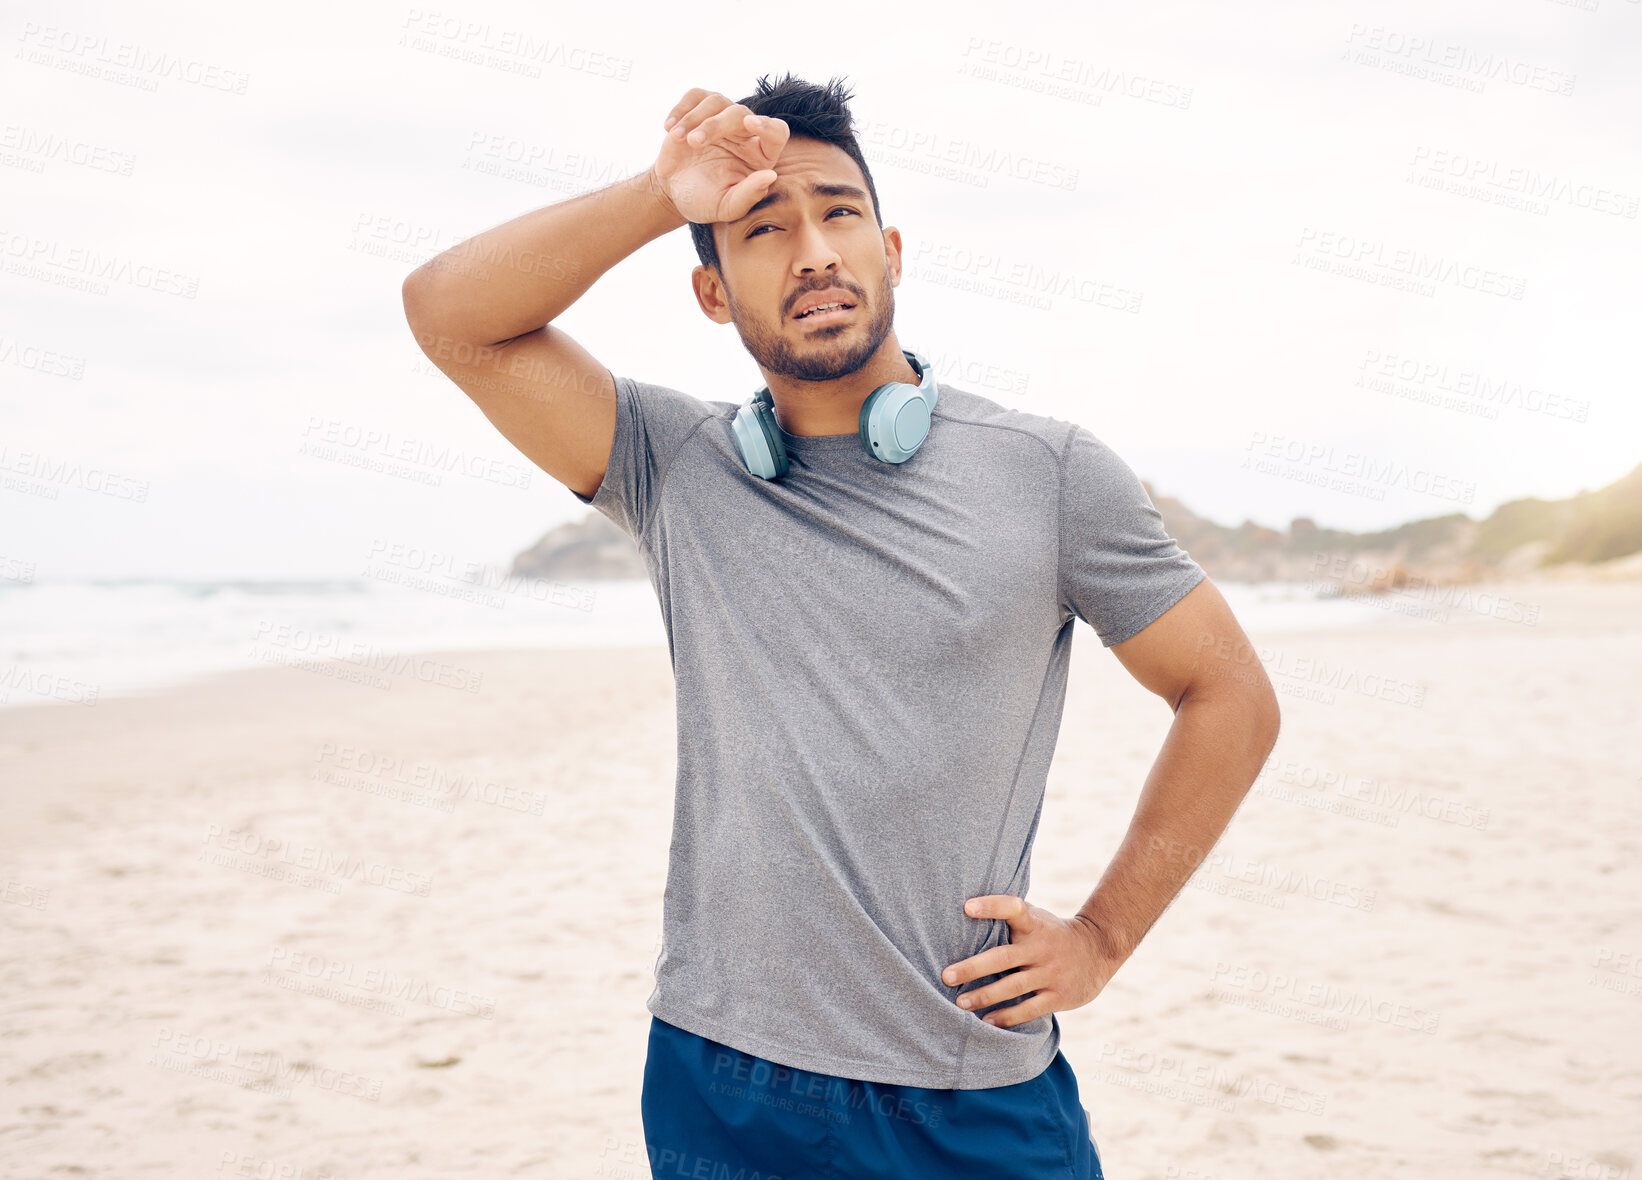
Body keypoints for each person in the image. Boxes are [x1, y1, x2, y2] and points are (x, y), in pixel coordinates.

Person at [403, 72, 1280, 1180]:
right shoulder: (677, 466)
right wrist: (657, 192)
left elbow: (1230, 694)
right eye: (762, 229)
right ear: (713, 295)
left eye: (839, 213)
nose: (813, 250)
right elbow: (450, 316)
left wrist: (1104, 936)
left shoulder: (1050, 473)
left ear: (893, 250)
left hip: (969, 1091)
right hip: (724, 1080)